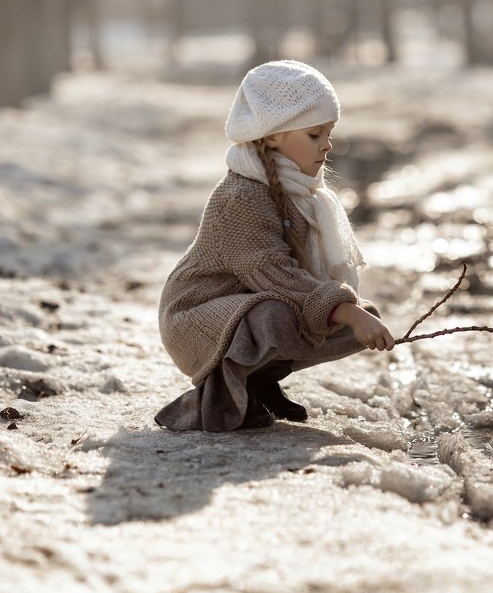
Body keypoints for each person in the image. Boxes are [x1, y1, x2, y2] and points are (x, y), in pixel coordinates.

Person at [155, 60, 395, 432]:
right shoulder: (241, 196)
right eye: (315, 135)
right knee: (279, 315)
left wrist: (353, 313)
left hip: (246, 306)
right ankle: (218, 396)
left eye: (329, 133)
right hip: (195, 318)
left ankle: (258, 381)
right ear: (270, 137)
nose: (328, 146)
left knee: (358, 315)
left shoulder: (298, 193)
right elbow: (275, 275)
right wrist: (345, 311)